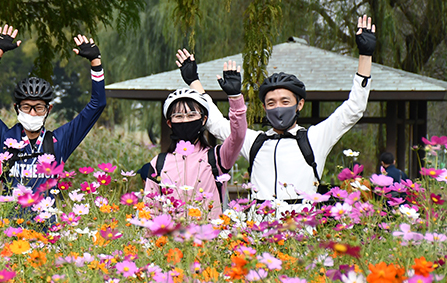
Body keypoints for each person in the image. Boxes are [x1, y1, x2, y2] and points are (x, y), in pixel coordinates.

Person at [187, 14, 376, 205]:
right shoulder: (254, 141)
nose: (278, 107)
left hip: (301, 229)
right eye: (271, 103)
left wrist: (365, 56)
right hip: (259, 230)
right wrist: (194, 81)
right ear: (264, 107)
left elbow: (354, 108)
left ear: (299, 104)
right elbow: (216, 123)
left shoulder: (315, 138)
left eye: (285, 101)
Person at [0, 24, 106, 197]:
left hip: (46, 221)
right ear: (17, 108)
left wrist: (96, 63)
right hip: (10, 222)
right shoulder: (4, 138)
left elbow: (97, 104)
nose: (32, 113)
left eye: (38, 108)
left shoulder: (59, 141)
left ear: (48, 109)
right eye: (26, 107)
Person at [145, 61, 247, 219]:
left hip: (209, 240)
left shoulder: (217, 158)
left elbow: (238, 135)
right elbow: (150, 210)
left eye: (192, 115)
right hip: (171, 240)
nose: (185, 119)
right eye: (178, 116)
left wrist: (235, 98)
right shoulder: (159, 163)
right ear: (169, 123)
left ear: (204, 119)